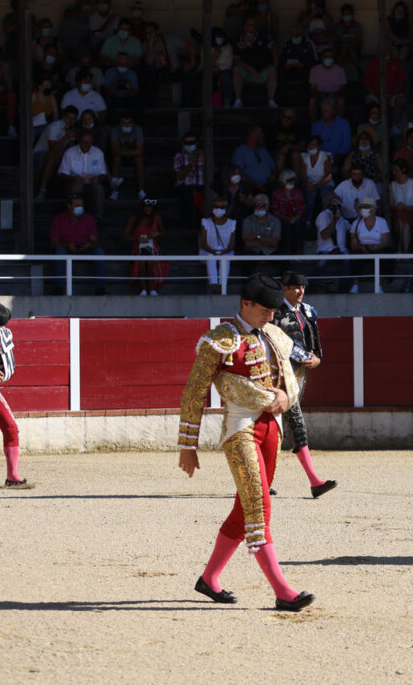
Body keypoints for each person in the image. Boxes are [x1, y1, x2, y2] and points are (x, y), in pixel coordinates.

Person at [177, 274, 315, 612]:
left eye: (273, 310)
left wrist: (286, 394)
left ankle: (209, 579)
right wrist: (187, 445)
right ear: (246, 304)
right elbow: (194, 392)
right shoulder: (219, 340)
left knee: (245, 508)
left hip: (272, 429)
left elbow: (295, 372)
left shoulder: (273, 334)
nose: (271, 316)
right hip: (240, 429)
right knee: (258, 507)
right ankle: (283, 591)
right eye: (265, 310)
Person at [273, 272, 338, 499]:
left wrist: (317, 359)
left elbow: (316, 345)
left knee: (277, 428)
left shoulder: (308, 311)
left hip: (300, 375)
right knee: (296, 423)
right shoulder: (274, 313)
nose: (300, 292)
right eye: (295, 288)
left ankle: (261, 480)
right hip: (278, 377)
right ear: (285, 289)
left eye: (303, 287)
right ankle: (314, 481)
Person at [0, 303, 27, 487]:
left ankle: (13, 476)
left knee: (11, 427)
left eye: (0, 326)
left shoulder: (2, 335)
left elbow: (7, 364)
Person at [57, 129, 109, 219]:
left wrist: (98, 178)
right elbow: (62, 174)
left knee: (98, 187)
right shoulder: (70, 153)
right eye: (85, 142)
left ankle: (98, 216)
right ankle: (75, 215)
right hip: (73, 184)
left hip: (91, 184)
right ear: (80, 141)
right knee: (77, 186)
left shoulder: (98, 153)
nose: (87, 145)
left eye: (89, 142)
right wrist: (74, 179)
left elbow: (103, 173)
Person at [123, 198, 168, 296]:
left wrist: (158, 233)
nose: (148, 209)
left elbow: (164, 234)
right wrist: (138, 238)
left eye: (151, 207)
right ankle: (143, 289)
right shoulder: (134, 218)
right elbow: (125, 236)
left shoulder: (157, 218)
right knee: (142, 263)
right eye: (146, 206)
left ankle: (152, 289)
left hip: (153, 247)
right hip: (138, 247)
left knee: (150, 262)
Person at [200, 196, 237, 294]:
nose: (218, 210)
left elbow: (232, 245)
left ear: (227, 209)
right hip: (208, 251)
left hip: (226, 252)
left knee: (224, 258)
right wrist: (213, 251)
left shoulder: (232, 223)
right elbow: (203, 243)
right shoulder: (206, 222)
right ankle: (214, 286)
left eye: (222, 207)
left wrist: (222, 252)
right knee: (211, 257)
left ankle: (222, 286)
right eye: (216, 207)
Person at [108, 110, 145, 200]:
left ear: (133, 123)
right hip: (121, 156)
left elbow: (140, 151)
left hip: (132, 156)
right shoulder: (115, 130)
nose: (126, 125)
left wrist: (122, 152)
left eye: (129, 123)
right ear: (120, 123)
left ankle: (141, 191)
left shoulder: (138, 130)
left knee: (139, 159)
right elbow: (115, 151)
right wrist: (132, 151)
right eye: (124, 123)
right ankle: (115, 191)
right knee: (116, 159)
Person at [272, 170, 307, 256]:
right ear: (283, 181)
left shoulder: (298, 193)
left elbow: (302, 209)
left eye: (293, 180)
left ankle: (298, 251)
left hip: (296, 218)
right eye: (289, 180)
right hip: (282, 218)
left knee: (298, 224)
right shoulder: (276, 193)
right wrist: (288, 219)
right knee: (286, 226)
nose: (291, 182)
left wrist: (294, 218)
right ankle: (286, 252)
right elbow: (275, 211)